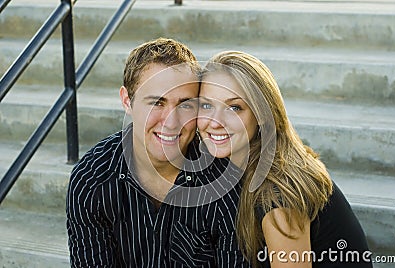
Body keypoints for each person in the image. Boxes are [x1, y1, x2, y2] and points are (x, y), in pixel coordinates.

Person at [66, 38, 250, 267]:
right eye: (157, 103)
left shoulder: (224, 179)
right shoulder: (93, 180)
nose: (171, 122)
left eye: (185, 105)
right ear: (127, 101)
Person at [197, 51, 372, 268]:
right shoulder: (232, 163)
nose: (215, 122)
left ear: (261, 114)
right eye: (206, 105)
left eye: (234, 108)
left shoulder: (278, 192)